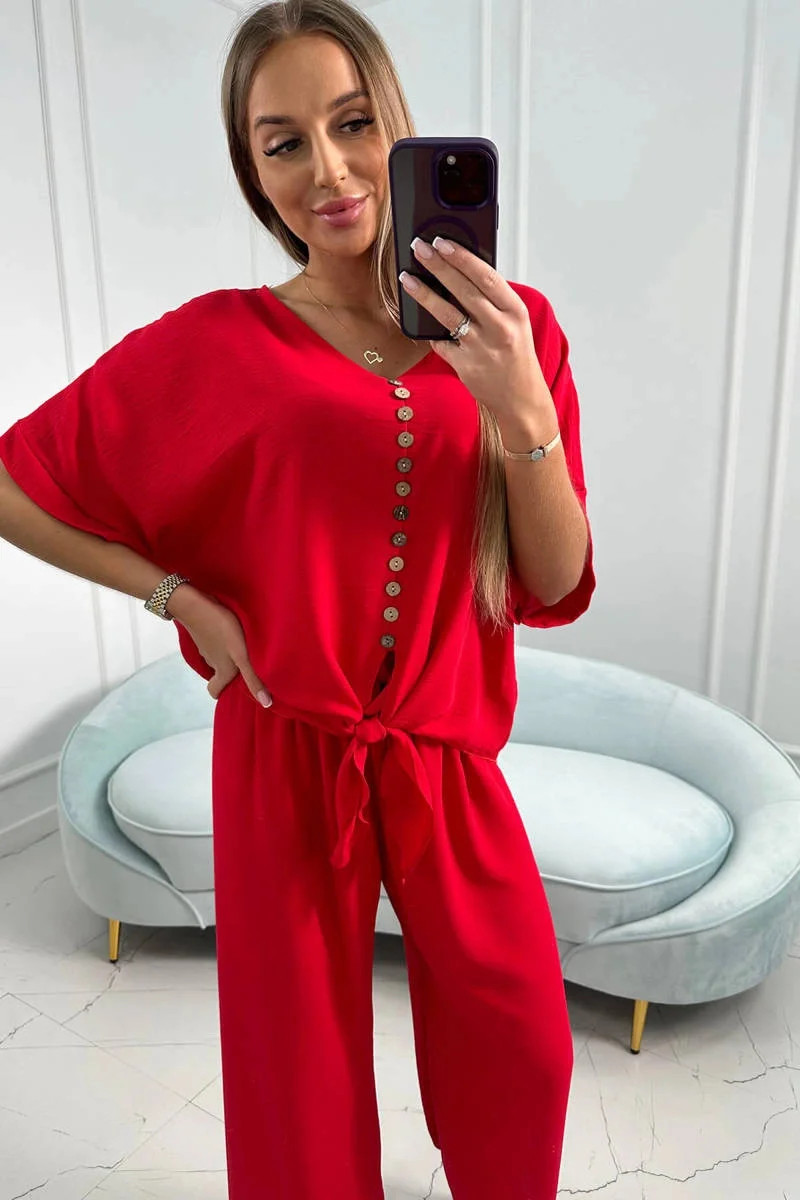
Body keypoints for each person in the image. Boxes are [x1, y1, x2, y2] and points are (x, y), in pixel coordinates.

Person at [0, 1, 596, 1196]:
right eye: (283, 143)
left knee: (521, 1050)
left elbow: (551, 580)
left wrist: (521, 407)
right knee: (297, 1086)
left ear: (400, 131)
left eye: (352, 123)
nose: (327, 169)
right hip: (281, 749)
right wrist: (177, 596)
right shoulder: (221, 343)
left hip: (441, 754)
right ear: (254, 174)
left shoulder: (513, 328)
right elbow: (18, 483)